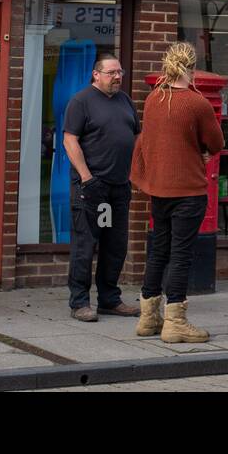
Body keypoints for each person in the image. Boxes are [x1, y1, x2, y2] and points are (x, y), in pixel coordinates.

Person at [129, 42, 225, 343]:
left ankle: (148, 318)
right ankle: (175, 323)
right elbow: (217, 142)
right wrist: (203, 152)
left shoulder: (154, 98)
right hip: (188, 189)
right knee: (181, 254)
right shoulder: (197, 103)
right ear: (192, 67)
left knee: (158, 249)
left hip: (159, 188)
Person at [62, 53, 141, 322]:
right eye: (111, 73)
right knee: (85, 245)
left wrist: (135, 172)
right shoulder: (81, 101)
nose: (117, 77)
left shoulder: (125, 101)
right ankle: (80, 302)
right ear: (96, 74)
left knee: (115, 245)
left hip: (118, 187)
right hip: (92, 187)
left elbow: (137, 137)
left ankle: (109, 299)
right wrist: (87, 177)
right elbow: (70, 141)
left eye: (120, 72)